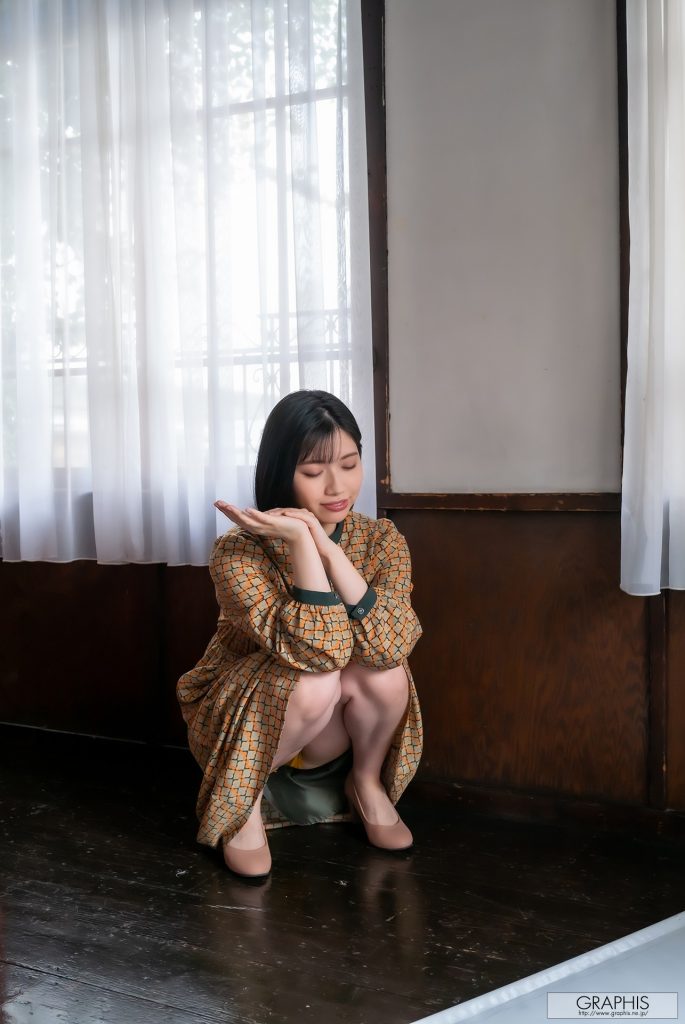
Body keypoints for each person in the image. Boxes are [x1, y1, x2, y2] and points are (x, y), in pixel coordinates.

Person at [176, 390, 423, 878]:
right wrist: (302, 544)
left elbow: (393, 645)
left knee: (387, 673)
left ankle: (366, 783)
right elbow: (320, 653)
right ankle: (244, 803)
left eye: (350, 464)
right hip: (247, 714)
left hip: (331, 726)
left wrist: (329, 551)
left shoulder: (382, 541)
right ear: (280, 472)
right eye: (313, 472)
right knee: (317, 678)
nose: (337, 486)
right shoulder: (237, 551)